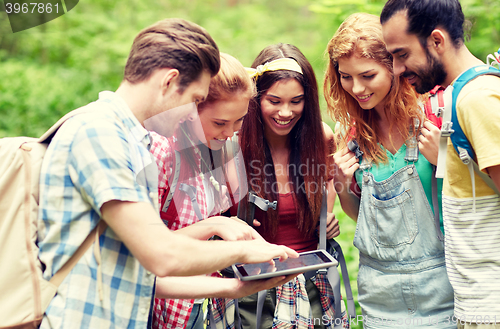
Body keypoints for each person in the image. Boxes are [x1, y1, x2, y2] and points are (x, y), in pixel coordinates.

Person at [36, 18, 298, 329]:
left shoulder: (135, 141)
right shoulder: (98, 133)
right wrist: (242, 249)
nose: (191, 113)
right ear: (169, 81)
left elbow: (145, 274)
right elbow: (162, 254)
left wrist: (236, 287)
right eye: (196, 100)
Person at [324, 13, 454, 328]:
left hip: (444, 293)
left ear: (394, 67)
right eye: (346, 77)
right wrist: (342, 185)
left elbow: (479, 197)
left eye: (368, 75)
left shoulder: (435, 115)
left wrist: (446, 161)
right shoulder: (353, 134)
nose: (356, 88)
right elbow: (363, 219)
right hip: (378, 299)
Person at [380, 1, 500, 327]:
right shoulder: (459, 95)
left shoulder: (477, 99)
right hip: (476, 303)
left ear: (436, 40)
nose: (396, 69)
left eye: (402, 54)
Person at [211, 43, 342, 329]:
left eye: (296, 101)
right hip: (250, 290)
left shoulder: (320, 138)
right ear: (255, 98)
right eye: (274, 101)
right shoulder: (230, 144)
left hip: (311, 283)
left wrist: (326, 217)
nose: (286, 112)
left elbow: (328, 185)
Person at [149, 52, 263, 329]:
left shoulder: (213, 148)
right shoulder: (163, 150)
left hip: (203, 300)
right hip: (169, 308)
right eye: (220, 123)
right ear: (191, 109)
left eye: (239, 121)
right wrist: (215, 224)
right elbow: (149, 247)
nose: (230, 132)